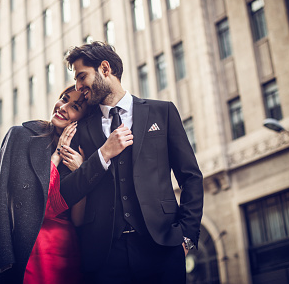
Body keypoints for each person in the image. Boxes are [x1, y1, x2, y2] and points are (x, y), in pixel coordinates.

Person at [59, 41, 204, 283]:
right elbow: (68, 192)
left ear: (105, 69)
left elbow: (191, 177)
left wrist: (186, 235)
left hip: (162, 247)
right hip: (103, 256)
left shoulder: (163, 112)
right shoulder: (80, 129)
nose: (78, 86)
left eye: (82, 76)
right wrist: (102, 155)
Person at [0, 85, 89, 284]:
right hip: (25, 252)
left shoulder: (81, 156)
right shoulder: (21, 136)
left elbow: (78, 221)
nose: (62, 107)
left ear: (82, 120)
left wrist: (81, 173)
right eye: (63, 98)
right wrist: (3, 258)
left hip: (66, 253)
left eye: (74, 106)